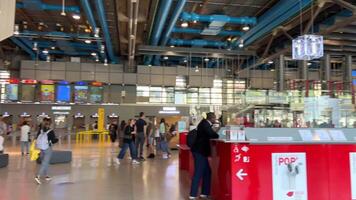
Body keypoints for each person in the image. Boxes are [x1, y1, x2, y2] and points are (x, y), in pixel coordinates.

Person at [189, 112, 219, 199]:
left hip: (201, 152)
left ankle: (204, 193)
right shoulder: (205, 124)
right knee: (198, 172)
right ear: (211, 118)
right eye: (214, 118)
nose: (215, 120)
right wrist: (216, 132)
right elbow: (213, 135)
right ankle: (192, 195)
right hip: (200, 152)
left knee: (207, 172)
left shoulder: (205, 124)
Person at [35, 118, 58, 185]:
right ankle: (38, 176)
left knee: (45, 162)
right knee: (45, 163)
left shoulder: (41, 130)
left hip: (41, 148)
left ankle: (46, 176)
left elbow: (37, 137)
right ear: (50, 124)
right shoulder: (51, 131)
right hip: (47, 148)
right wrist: (57, 139)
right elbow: (53, 141)